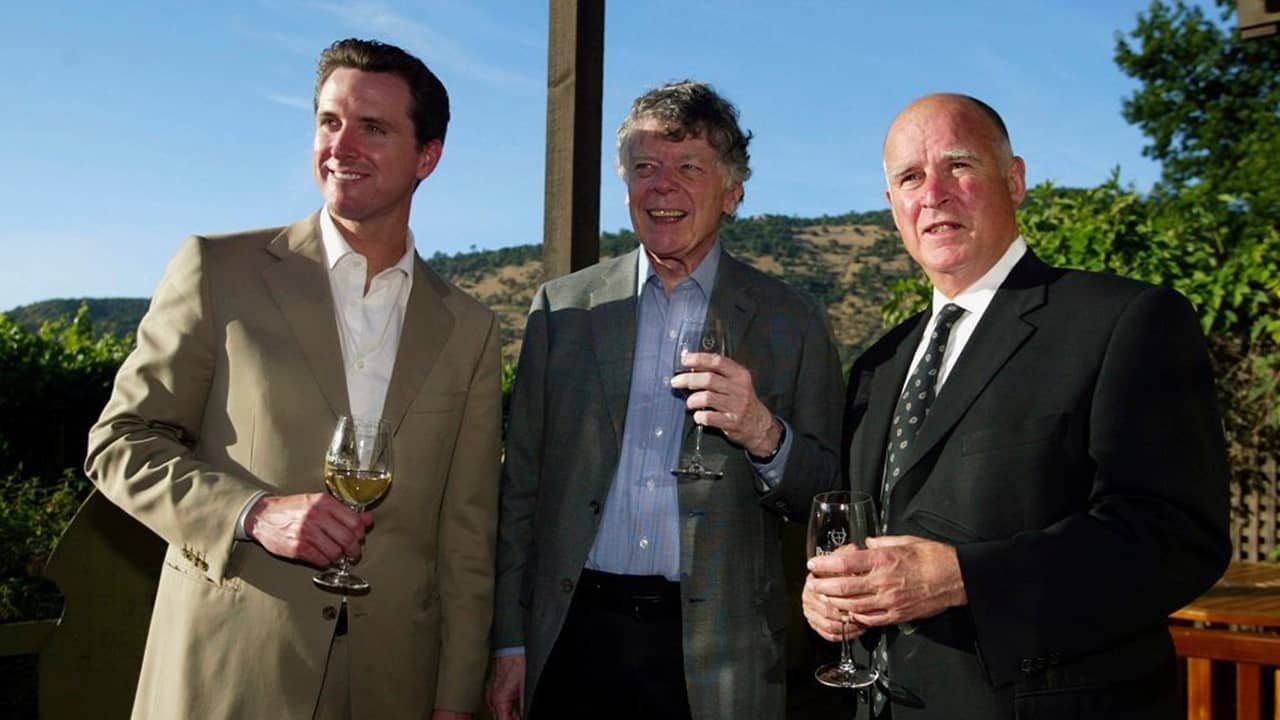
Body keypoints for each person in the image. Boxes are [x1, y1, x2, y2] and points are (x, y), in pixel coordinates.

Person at [85, 38, 500, 720]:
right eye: (329, 121)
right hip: (230, 667)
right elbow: (120, 444)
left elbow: (467, 534)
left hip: (395, 683)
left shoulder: (472, 328)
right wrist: (252, 514)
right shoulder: (217, 271)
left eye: (373, 127)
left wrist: (457, 697)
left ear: (428, 156)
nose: (341, 145)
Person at [802, 93, 1231, 719]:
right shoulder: (879, 363)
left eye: (960, 166)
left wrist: (963, 577)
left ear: (1015, 180)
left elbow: (1175, 537)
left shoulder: (1124, 321)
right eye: (910, 177)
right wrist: (831, 598)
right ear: (893, 205)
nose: (935, 193)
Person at [487, 80, 844, 720]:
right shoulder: (562, 309)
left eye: (688, 168)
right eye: (645, 168)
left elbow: (830, 491)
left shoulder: (793, 321)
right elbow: (522, 489)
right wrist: (511, 640)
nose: (662, 186)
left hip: (717, 656)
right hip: (573, 634)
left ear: (732, 193)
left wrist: (764, 433)